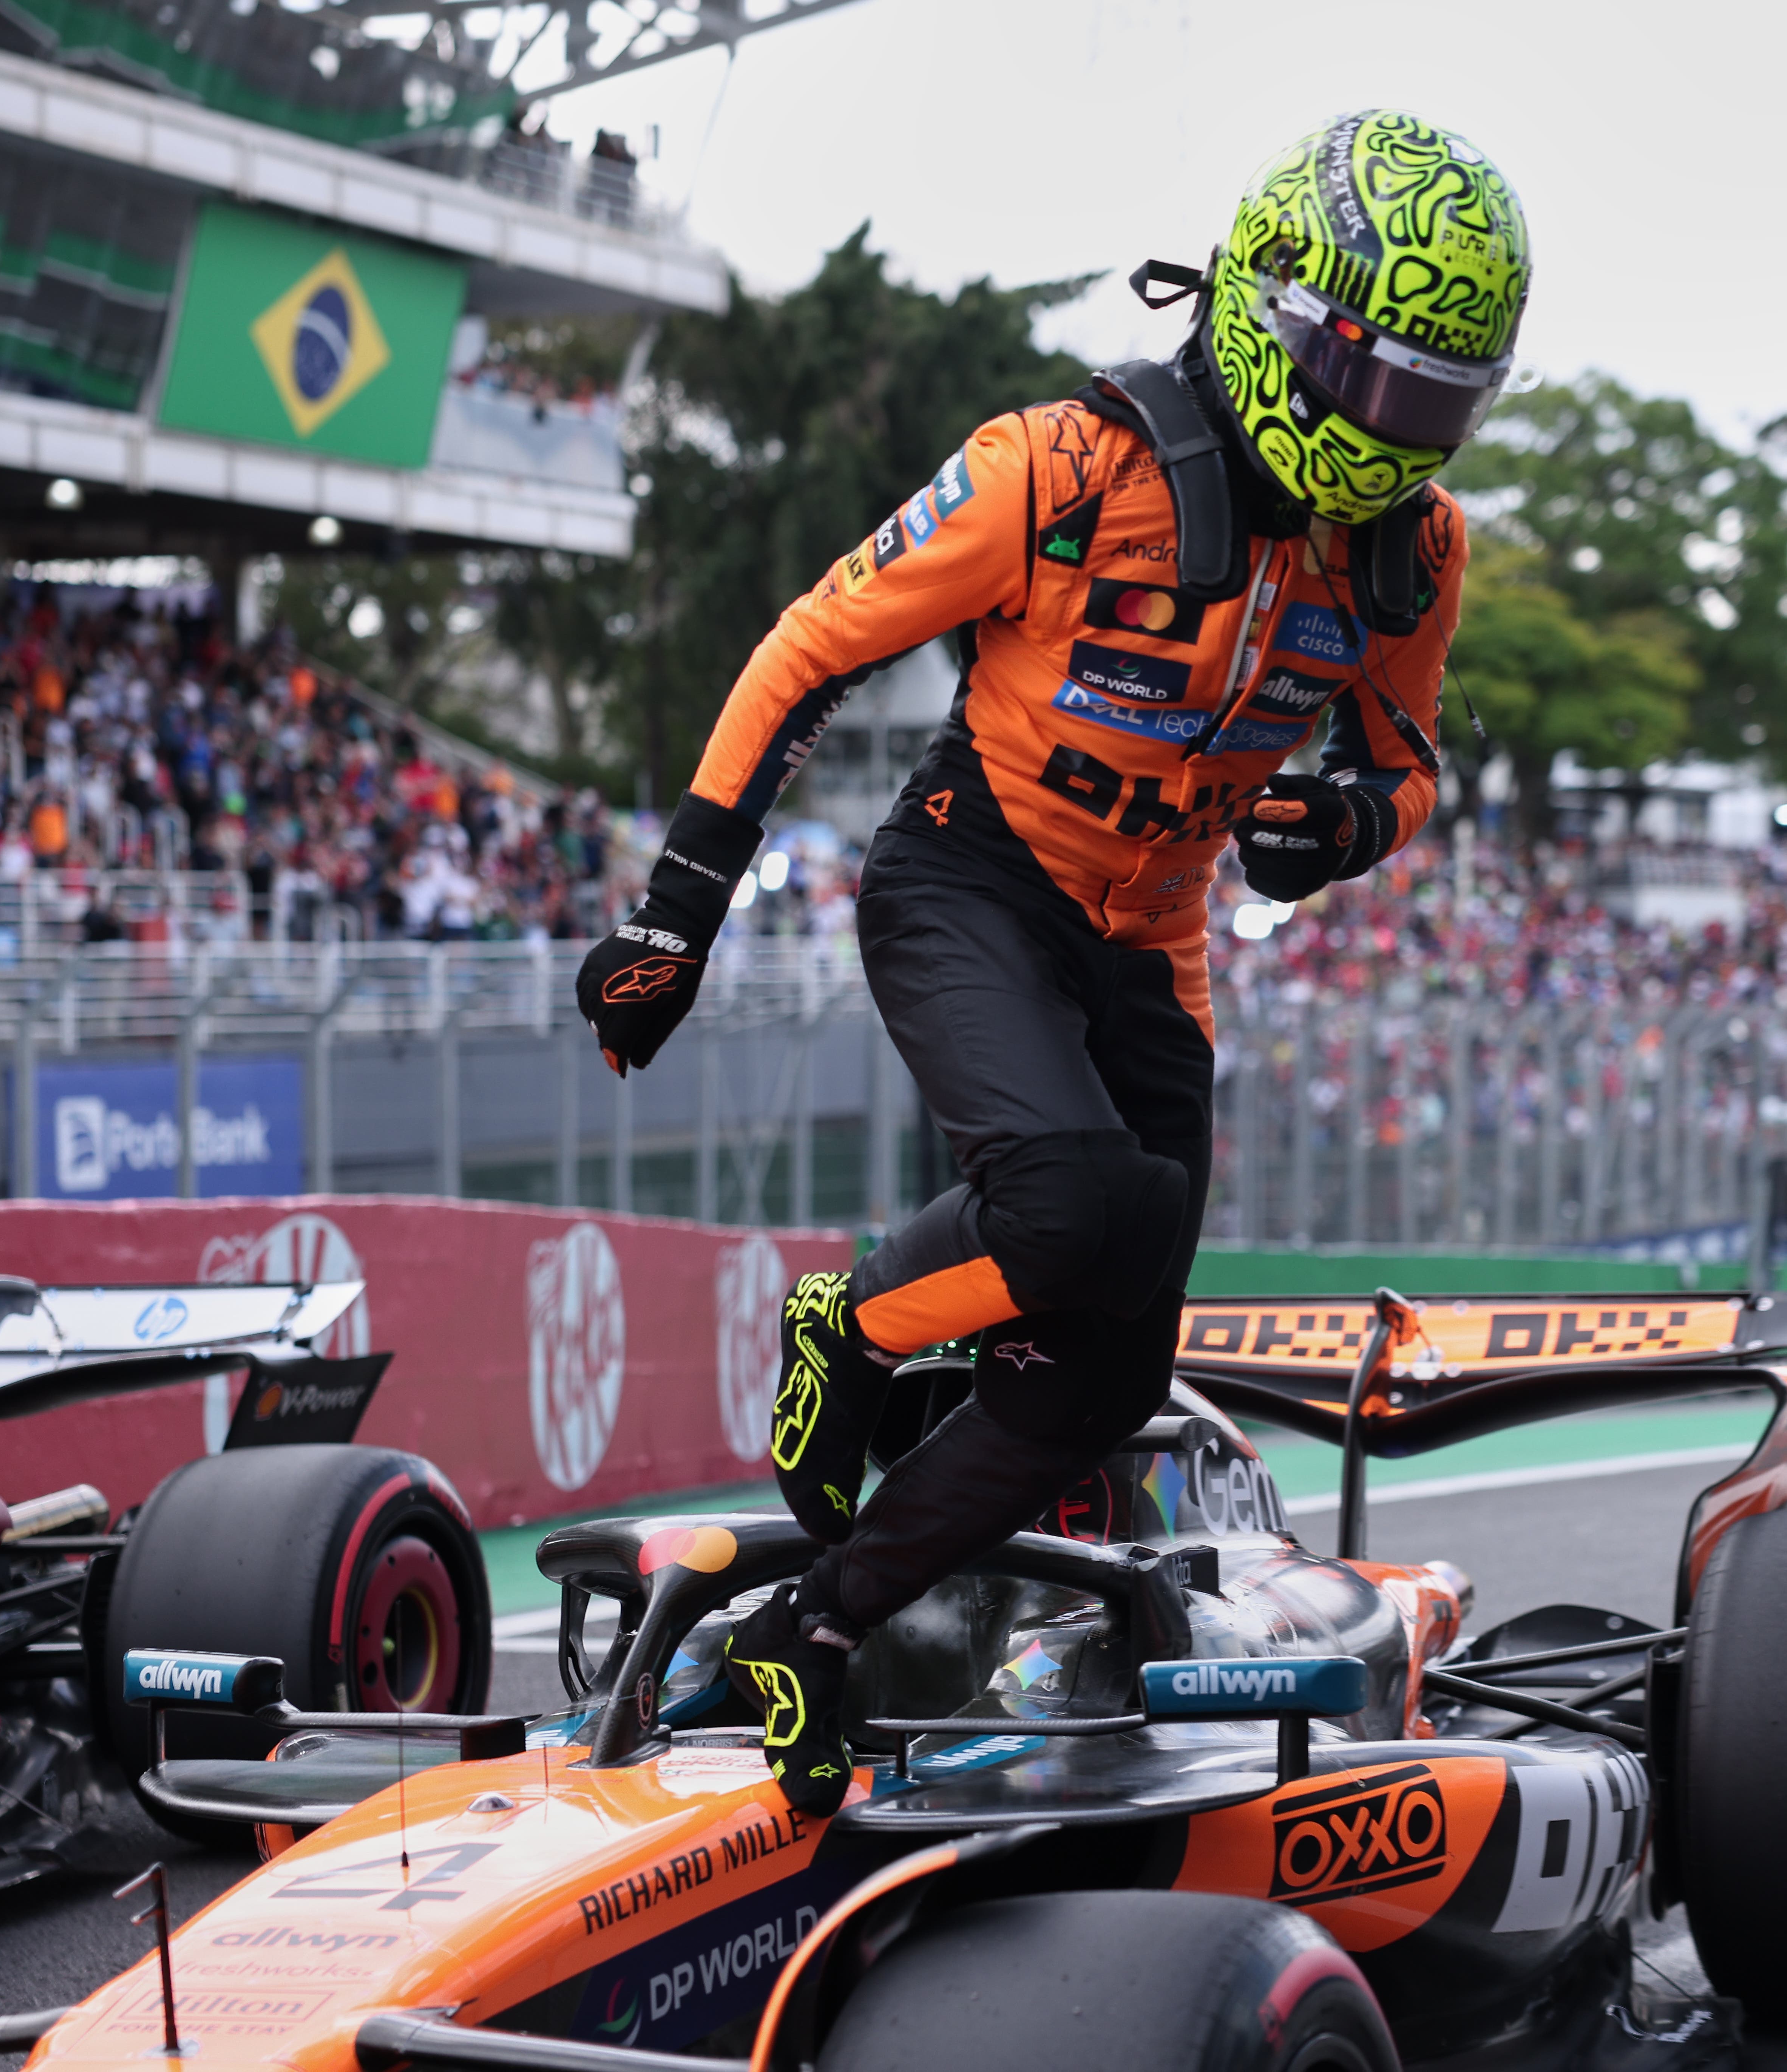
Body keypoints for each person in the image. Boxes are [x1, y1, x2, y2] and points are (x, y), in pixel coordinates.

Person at [574, 110, 1531, 1812]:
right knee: (1072, 1204)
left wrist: (1346, 826)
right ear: (1278, 309)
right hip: (971, 881)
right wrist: (677, 915)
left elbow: (1404, 765)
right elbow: (808, 648)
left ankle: (815, 1625)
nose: (1397, 431)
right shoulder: (1061, 467)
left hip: (1154, 944)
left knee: (1100, 1378)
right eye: (1377, 381)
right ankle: (849, 1327)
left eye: (1438, 403)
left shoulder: (1419, 550)